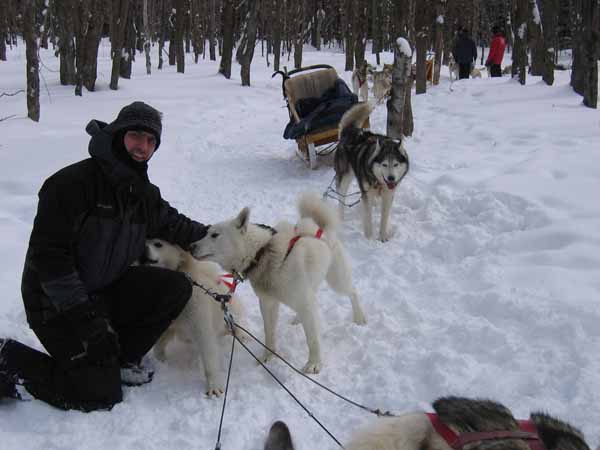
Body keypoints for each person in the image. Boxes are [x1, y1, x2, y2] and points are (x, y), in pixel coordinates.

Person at [0, 101, 208, 411]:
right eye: (137, 135)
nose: (144, 147)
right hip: (54, 303)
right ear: (118, 134)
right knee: (99, 393)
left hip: (105, 288)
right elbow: (50, 260)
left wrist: (238, 239)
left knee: (175, 287)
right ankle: (7, 359)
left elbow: (177, 226)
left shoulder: (141, 193)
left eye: (151, 141)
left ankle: (118, 357)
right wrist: (87, 322)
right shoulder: (72, 184)